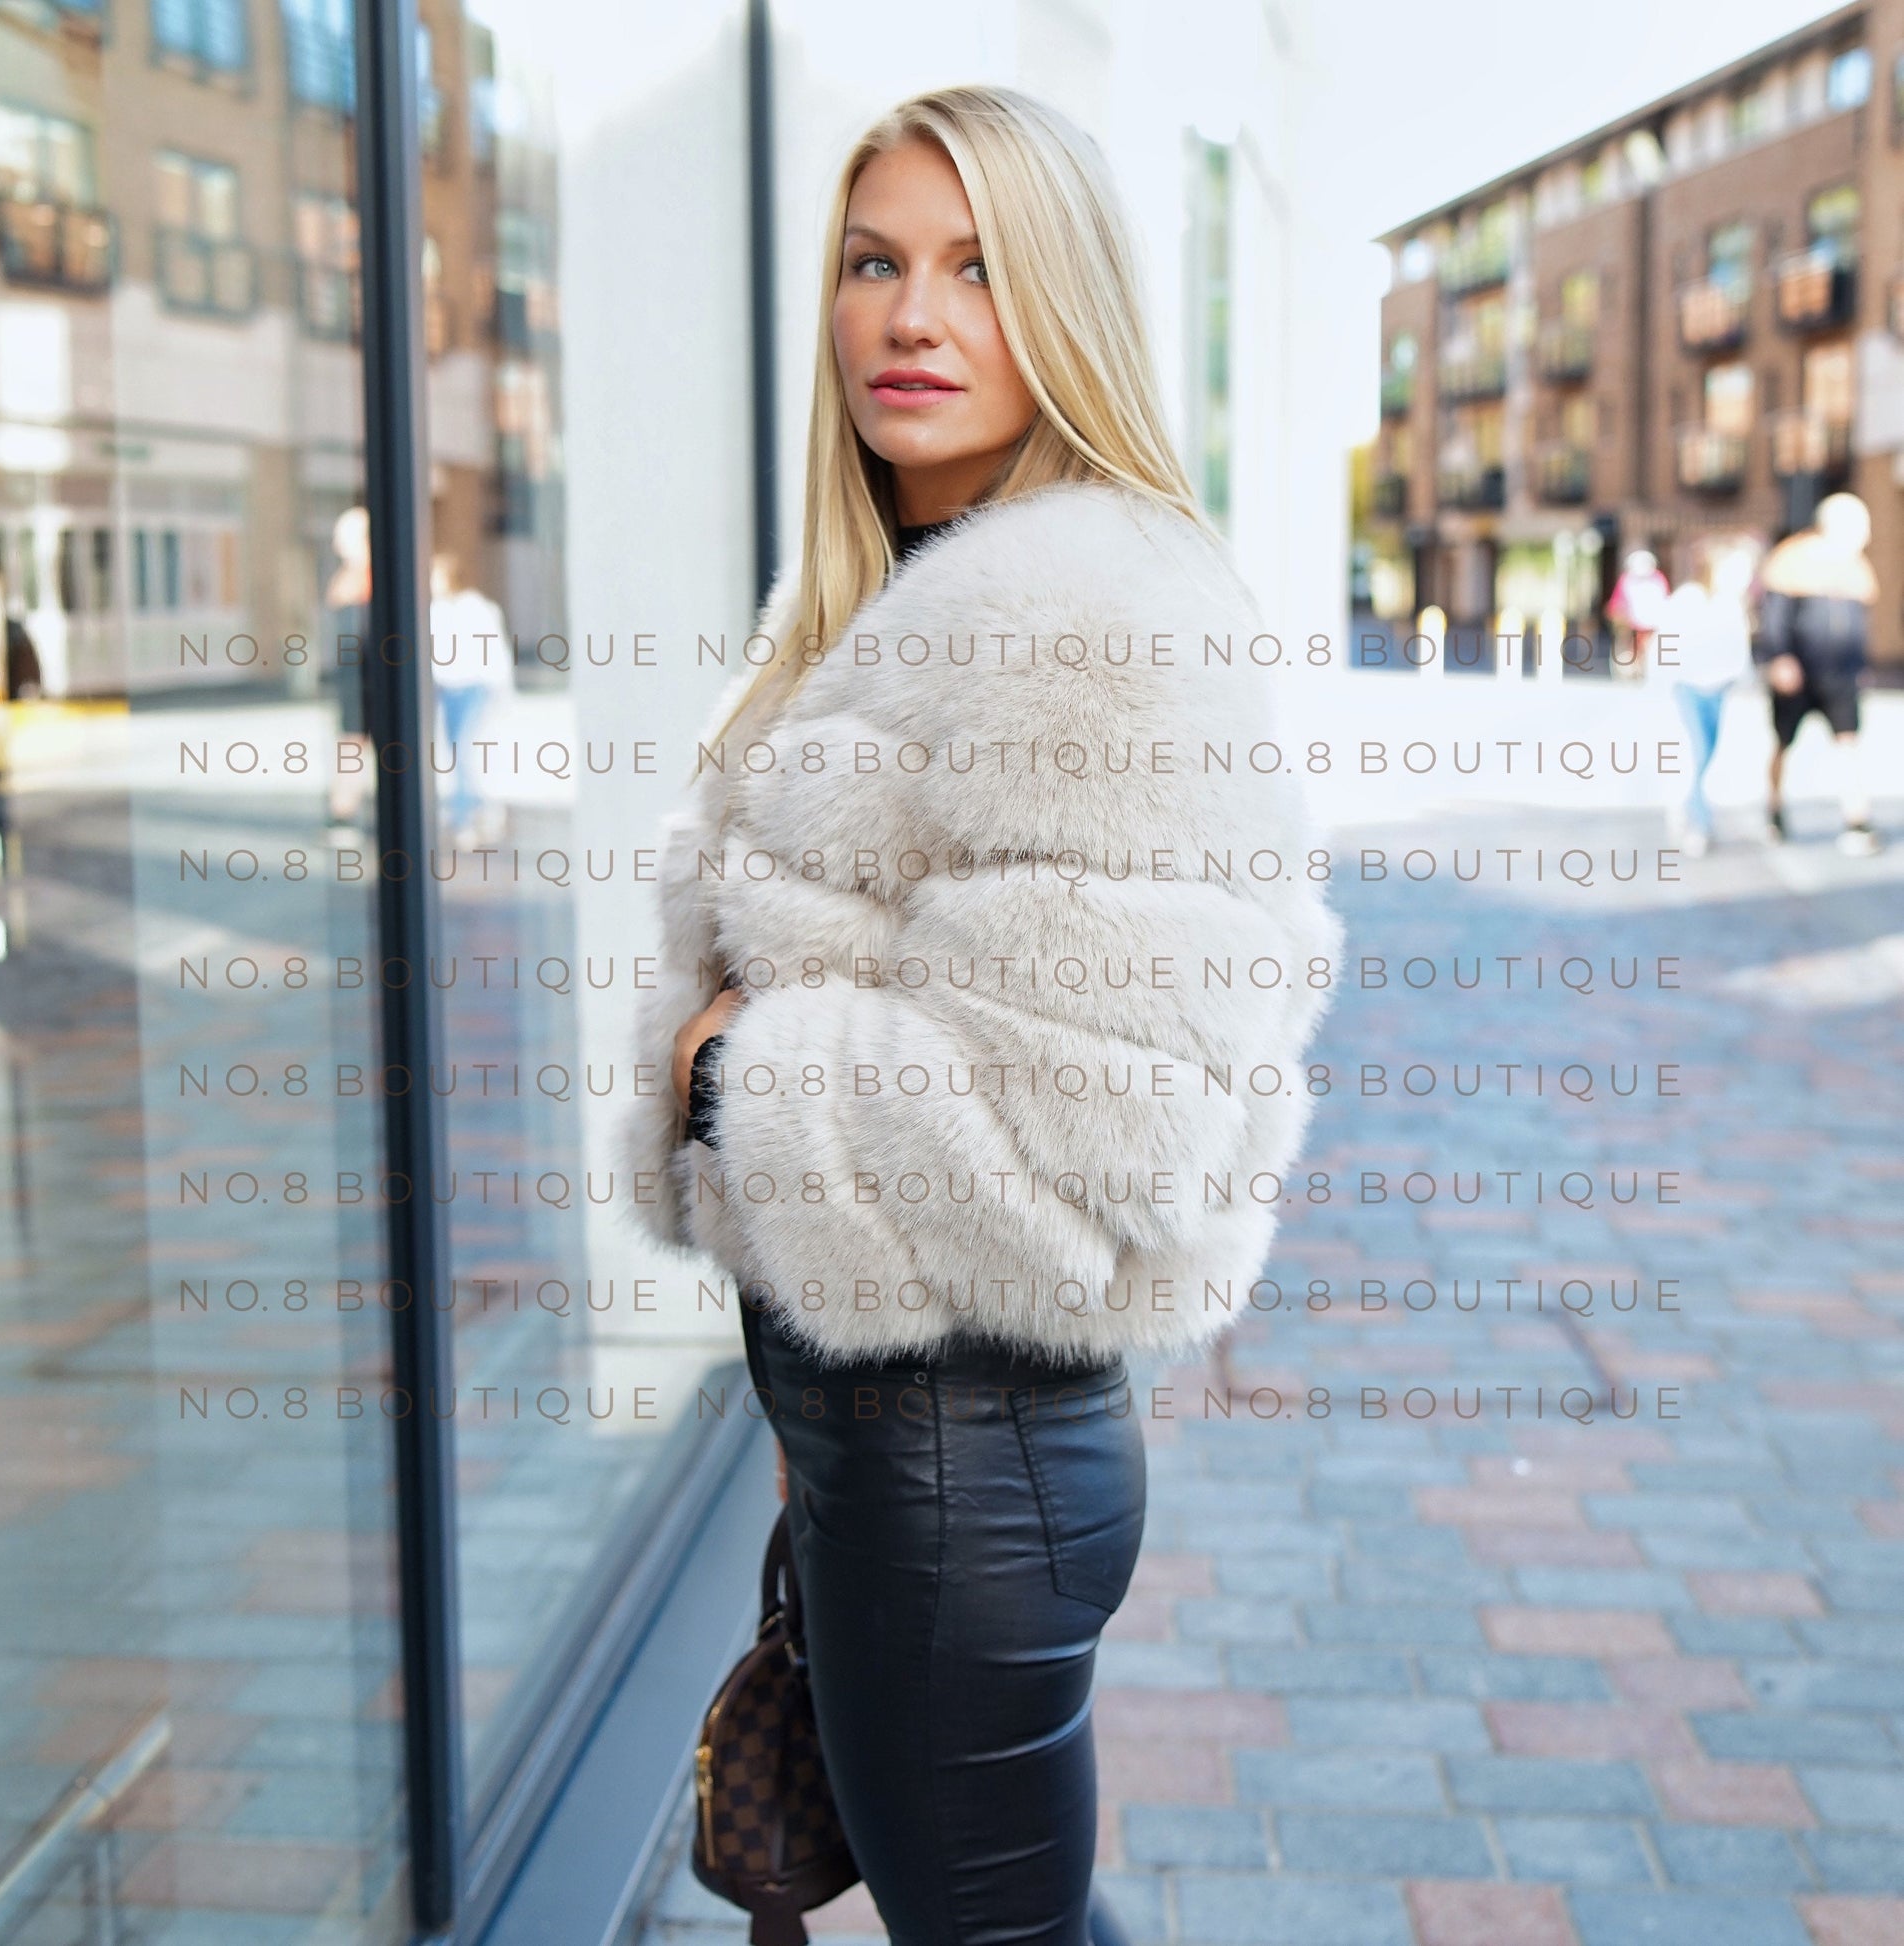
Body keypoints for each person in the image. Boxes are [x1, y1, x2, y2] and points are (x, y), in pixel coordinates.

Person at [616, 87, 1343, 1946]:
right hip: (910, 1454)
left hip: (964, 1464)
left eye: (975, 270)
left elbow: (1080, 1128)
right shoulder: (904, 598)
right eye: (874, 262)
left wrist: (728, 1082)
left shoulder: (1074, 618)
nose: (909, 317)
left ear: (1066, 311)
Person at [1754, 491, 1882, 854]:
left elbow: (1859, 625)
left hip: (1841, 675)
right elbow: (1774, 617)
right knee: (1783, 742)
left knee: (1848, 744)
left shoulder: (1856, 566)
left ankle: (1856, 819)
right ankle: (1775, 809)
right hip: (1797, 672)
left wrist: (1860, 666)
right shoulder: (1793, 558)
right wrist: (1779, 657)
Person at [1654, 545, 1754, 856]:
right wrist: (1664, 678)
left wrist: (1743, 677)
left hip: (1718, 687)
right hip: (1689, 685)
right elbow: (1668, 639)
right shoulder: (1687, 599)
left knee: (1708, 752)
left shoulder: (1730, 604)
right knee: (1696, 754)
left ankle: (1687, 809)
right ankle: (1699, 822)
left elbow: (1739, 646)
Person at [428, 550, 514, 843]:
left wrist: (500, 689)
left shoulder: (474, 608)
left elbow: (494, 651)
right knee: (455, 752)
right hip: (446, 689)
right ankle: (477, 807)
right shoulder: (433, 610)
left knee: (464, 751)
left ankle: (464, 817)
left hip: (474, 687)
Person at [321, 505, 373, 840]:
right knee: (350, 743)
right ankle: (343, 811)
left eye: (344, 537)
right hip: (353, 678)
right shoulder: (348, 579)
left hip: (365, 678)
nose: (338, 544)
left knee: (353, 743)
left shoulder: (365, 581)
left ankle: (345, 813)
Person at [1605, 546, 1670, 678]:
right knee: (1631, 645)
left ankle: (1644, 668)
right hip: (1633, 623)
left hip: (1651, 623)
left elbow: (1664, 599)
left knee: (1648, 647)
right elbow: (1618, 601)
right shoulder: (1627, 580)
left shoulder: (1657, 579)